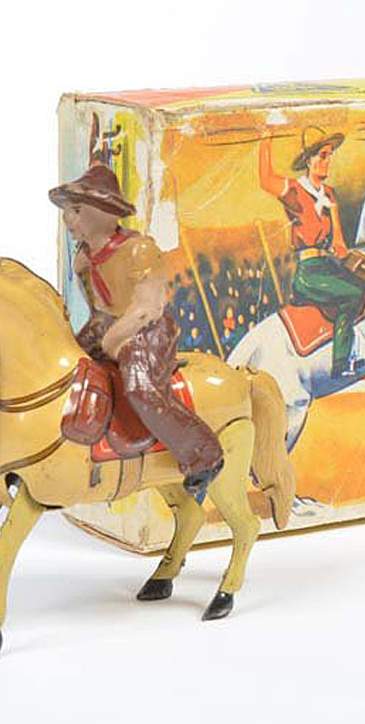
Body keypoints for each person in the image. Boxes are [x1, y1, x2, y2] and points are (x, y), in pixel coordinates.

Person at [49, 165, 223, 495]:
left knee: (140, 386)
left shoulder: (139, 250)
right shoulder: (83, 258)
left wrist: (113, 339)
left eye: (76, 210)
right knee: (64, 366)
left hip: (147, 329)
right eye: (67, 211)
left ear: (104, 213)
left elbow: (148, 308)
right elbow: (97, 307)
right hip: (105, 324)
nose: (68, 219)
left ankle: (203, 454)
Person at [259, 126, 365, 377]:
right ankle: (341, 363)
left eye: (330, 156)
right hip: (308, 274)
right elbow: (265, 179)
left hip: (328, 267)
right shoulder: (293, 190)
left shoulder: (330, 194)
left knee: (364, 285)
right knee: (352, 296)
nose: (327, 161)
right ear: (308, 160)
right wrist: (266, 137)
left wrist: (342, 250)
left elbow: (338, 242)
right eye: (322, 155)